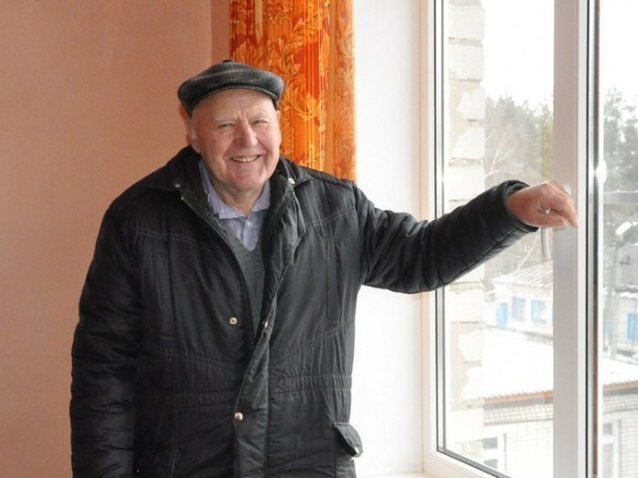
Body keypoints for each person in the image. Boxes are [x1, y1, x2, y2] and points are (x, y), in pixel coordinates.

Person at [70, 60, 577, 477]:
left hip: (307, 463)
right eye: (224, 125)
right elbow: (104, 370)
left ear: (278, 128)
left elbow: (420, 256)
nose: (246, 140)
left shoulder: (335, 209)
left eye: (260, 122)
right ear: (193, 135)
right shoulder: (138, 221)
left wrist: (508, 210)